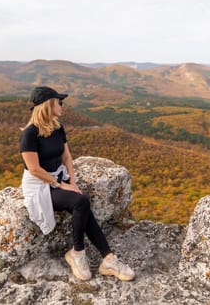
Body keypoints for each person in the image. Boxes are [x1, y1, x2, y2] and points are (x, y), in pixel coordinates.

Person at [19, 86, 135, 282]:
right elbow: (34, 169)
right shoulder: (29, 134)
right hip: (39, 185)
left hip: (58, 177)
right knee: (81, 202)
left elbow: (67, 156)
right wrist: (61, 185)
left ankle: (108, 258)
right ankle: (79, 253)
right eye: (59, 102)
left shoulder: (57, 127)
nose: (62, 105)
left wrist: (72, 181)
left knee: (82, 200)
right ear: (48, 105)